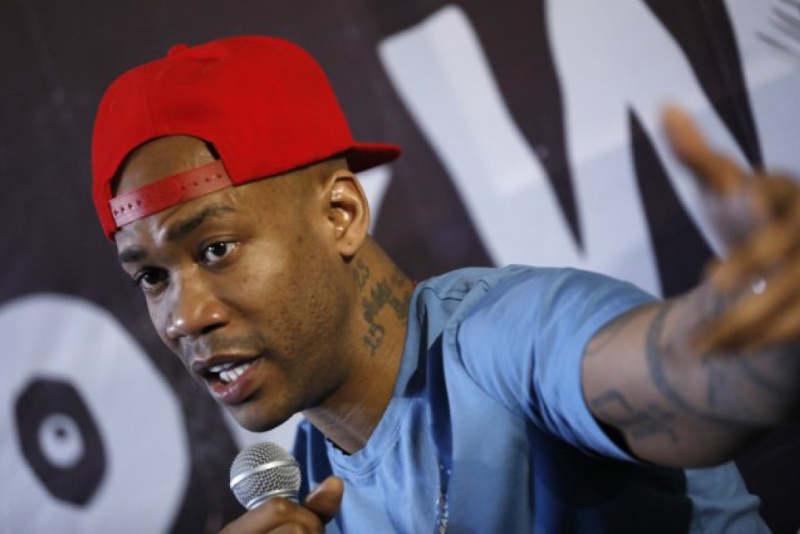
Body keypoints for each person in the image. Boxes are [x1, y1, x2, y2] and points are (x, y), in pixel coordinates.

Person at [90, 35, 799, 533]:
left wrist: (753, 344)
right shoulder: (307, 497)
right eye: (151, 276)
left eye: (215, 248)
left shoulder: (504, 338)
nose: (183, 317)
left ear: (340, 215)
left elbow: (679, 377)